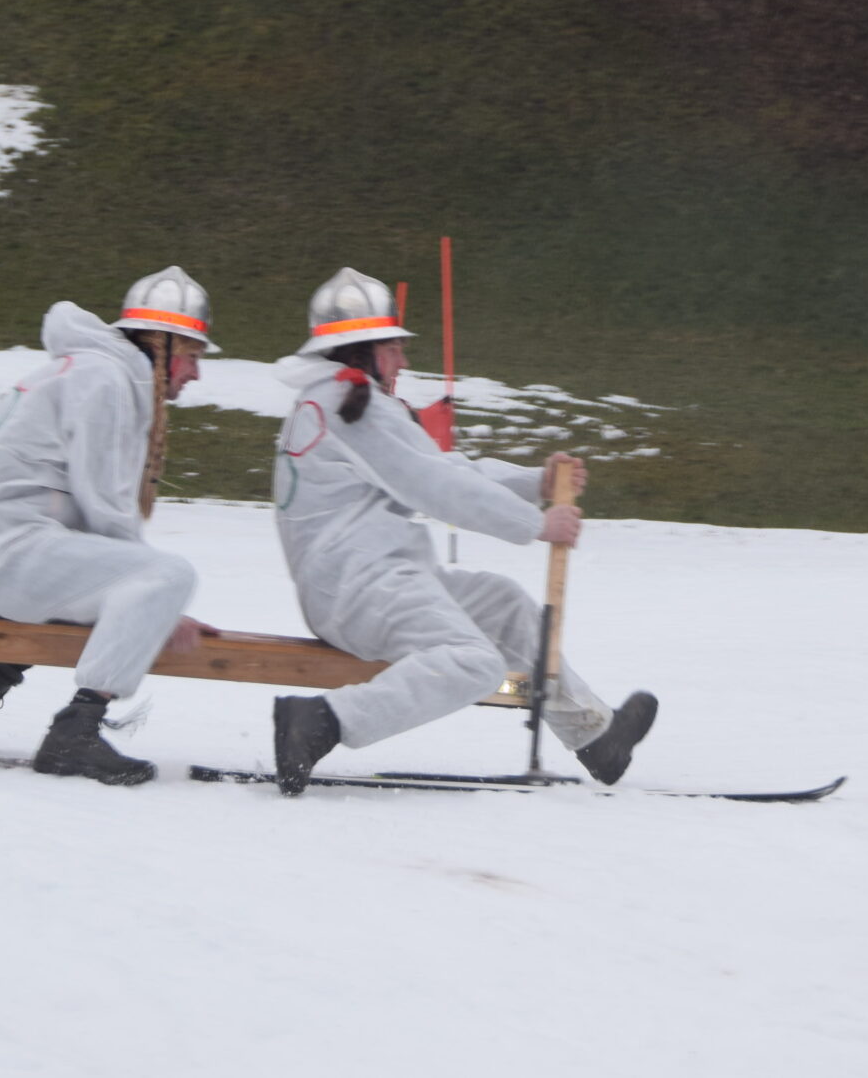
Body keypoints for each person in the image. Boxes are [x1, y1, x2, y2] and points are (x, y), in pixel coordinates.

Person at [268, 267, 659, 796]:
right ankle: (321, 721)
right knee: (475, 662)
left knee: (506, 605)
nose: (403, 361)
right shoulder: (348, 403)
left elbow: (443, 469)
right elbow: (438, 486)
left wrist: (534, 483)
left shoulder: (342, 399)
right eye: (393, 348)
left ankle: (596, 738)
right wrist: (537, 525)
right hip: (359, 587)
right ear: (363, 349)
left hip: (372, 579)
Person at [0, 266, 217, 786]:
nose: (196, 374)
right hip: (13, 556)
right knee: (168, 575)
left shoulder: (92, 370)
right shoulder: (105, 380)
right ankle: (76, 732)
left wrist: (144, 596)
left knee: (135, 583)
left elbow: (92, 511)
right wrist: (156, 600)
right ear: (162, 346)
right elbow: (106, 502)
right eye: (193, 356)